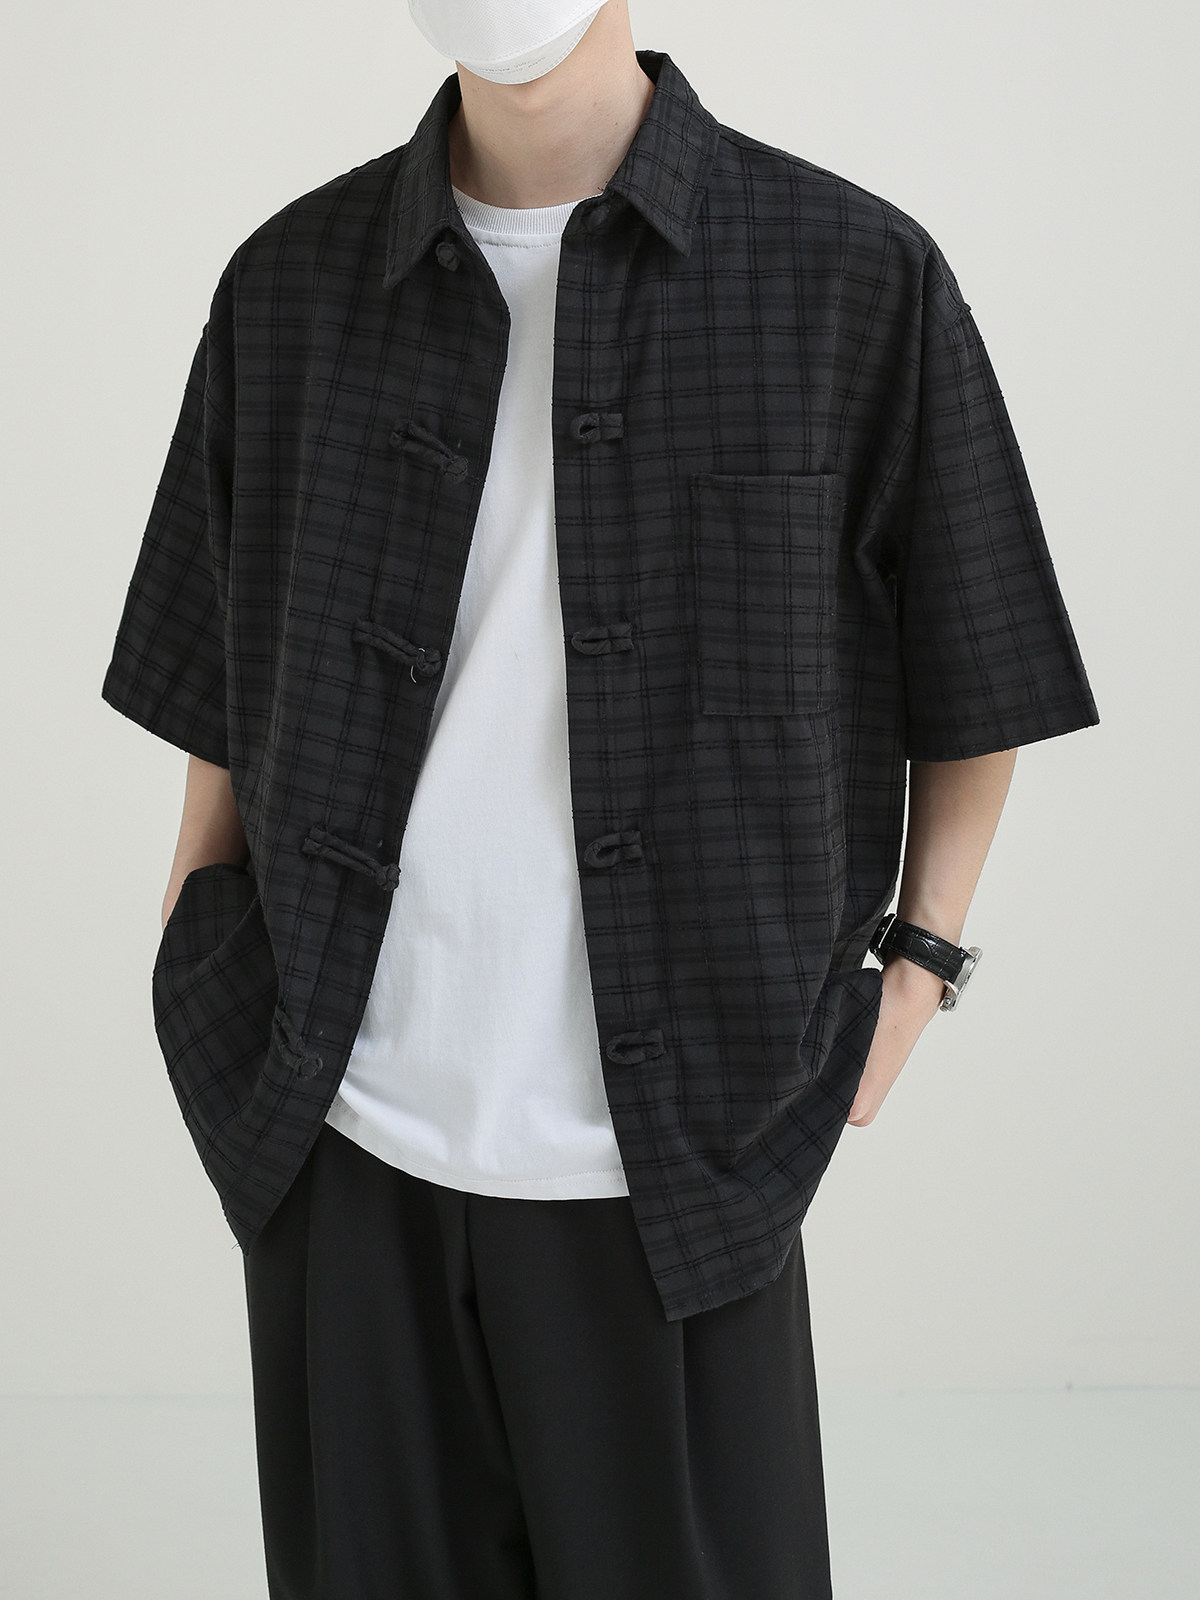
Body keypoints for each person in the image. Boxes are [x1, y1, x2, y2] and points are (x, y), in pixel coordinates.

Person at [99, 2, 1100, 1595]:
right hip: (344, 1145)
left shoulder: (849, 277)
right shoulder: (289, 281)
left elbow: (981, 670)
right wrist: (199, 959)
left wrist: (919, 967)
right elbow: (220, 677)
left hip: (679, 1170)